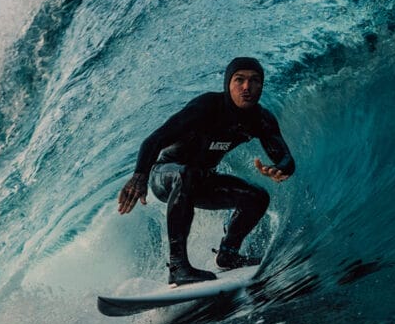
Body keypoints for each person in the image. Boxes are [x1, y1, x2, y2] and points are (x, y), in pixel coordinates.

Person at [117, 57, 295, 286]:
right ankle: (178, 267)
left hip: (201, 179)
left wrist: (280, 169)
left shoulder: (261, 120)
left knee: (257, 197)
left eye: (254, 81)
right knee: (186, 173)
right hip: (166, 175)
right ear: (227, 83)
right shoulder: (206, 108)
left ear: (261, 85)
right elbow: (154, 140)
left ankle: (228, 254)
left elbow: (285, 158)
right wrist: (139, 177)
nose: (246, 87)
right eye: (239, 80)